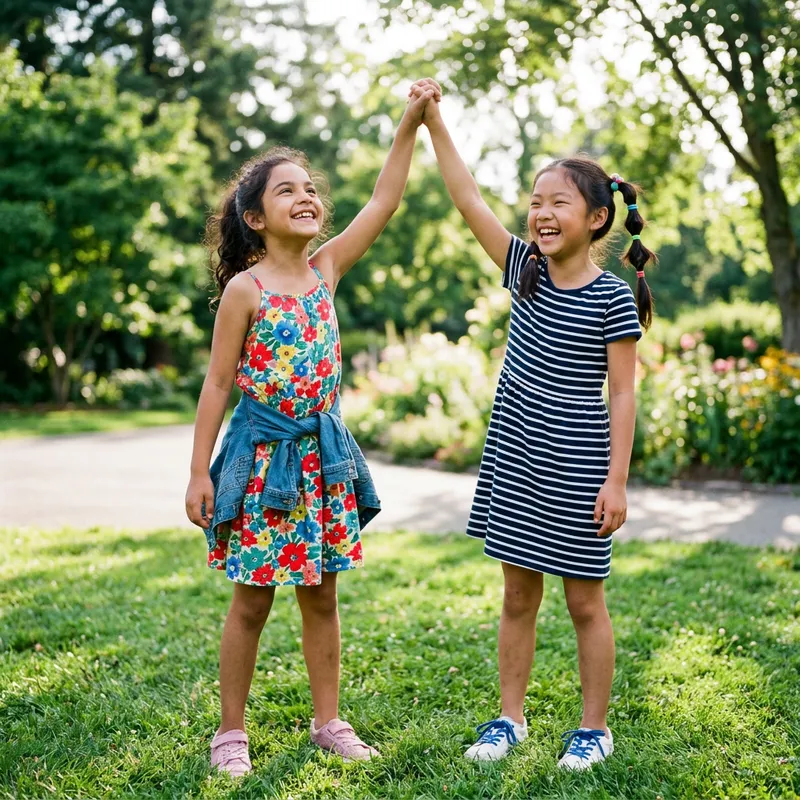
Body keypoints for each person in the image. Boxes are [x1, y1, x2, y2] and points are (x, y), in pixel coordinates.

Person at [184, 83, 439, 777]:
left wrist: (409, 126)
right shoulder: (247, 290)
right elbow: (216, 385)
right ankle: (230, 733)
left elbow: (383, 202)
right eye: (285, 190)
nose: (305, 197)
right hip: (263, 464)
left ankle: (329, 721)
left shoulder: (325, 270)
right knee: (251, 599)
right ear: (255, 217)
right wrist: (198, 470)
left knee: (322, 593)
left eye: (309, 189)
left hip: (321, 461)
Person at [411, 78, 654, 770]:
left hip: (579, 473)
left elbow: (624, 396)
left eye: (558, 203)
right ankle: (508, 718)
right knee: (517, 594)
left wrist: (617, 482)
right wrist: (434, 124)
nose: (541, 214)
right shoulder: (525, 270)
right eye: (536, 202)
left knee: (585, 603)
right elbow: (467, 198)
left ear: (598, 218)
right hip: (517, 462)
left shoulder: (611, 298)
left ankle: (593, 728)